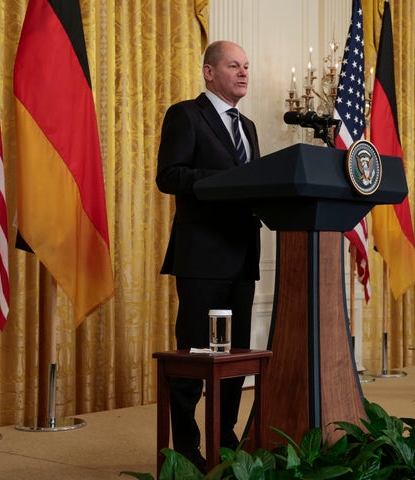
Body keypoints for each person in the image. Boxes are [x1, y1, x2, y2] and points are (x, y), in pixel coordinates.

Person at [156, 40, 261, 472]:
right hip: (201, 258)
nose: (243, 73)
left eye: (246, 67)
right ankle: (185, 449)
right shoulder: (186, 115)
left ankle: (226, 440)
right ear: (209, 72)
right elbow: (170, 175)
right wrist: (228, 180)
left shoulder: (249, 126)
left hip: (242, 257)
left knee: (235, 359)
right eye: (234, 66)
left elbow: (255, 182)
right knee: (195, 358)